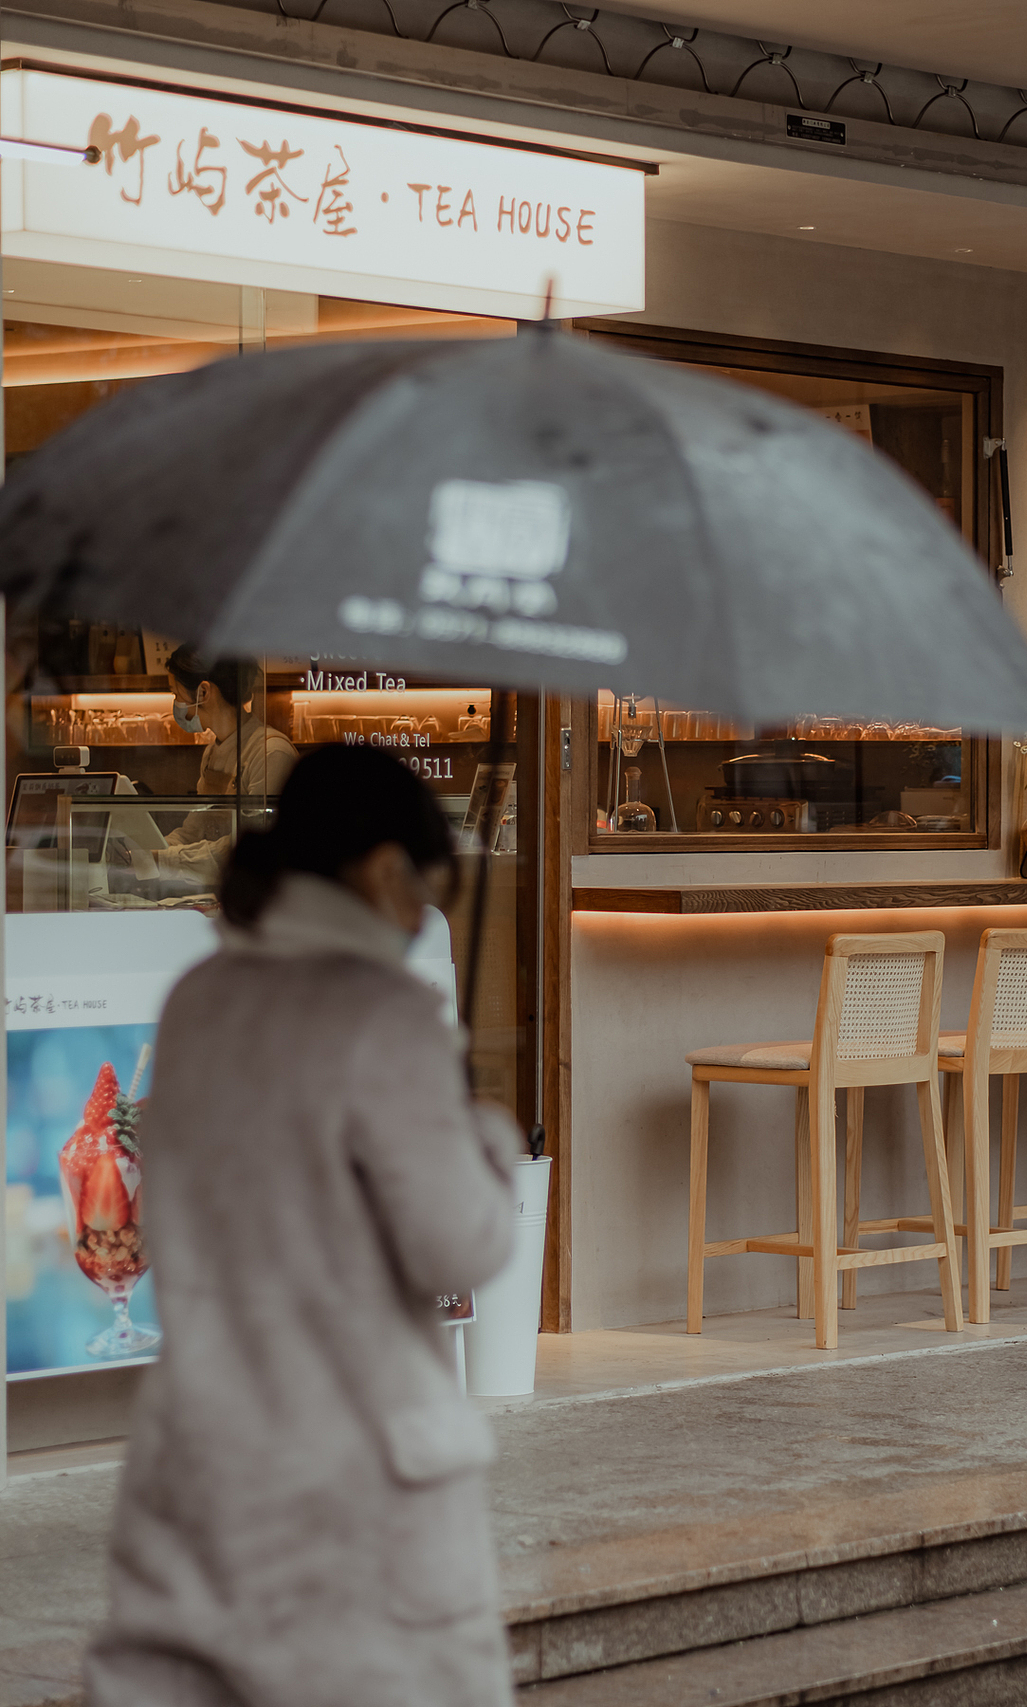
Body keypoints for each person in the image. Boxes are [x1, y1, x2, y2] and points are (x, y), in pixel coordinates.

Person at [86, 746, 522, 1707]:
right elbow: (457, 1248)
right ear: (379, 870)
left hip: (195, 1468)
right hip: (354, 1487)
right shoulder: (384, 1019)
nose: (423, 912)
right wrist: (488, 1145)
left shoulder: (198, 1003)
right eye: (423, 884)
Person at [155, 646, 298, 890]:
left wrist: (161, 858)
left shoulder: (270, 752)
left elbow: (250, 848)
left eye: (176, 693)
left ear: (203, 691)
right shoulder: (212, 751)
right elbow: (195, 829)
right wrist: (149, 850)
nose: (176, 704)